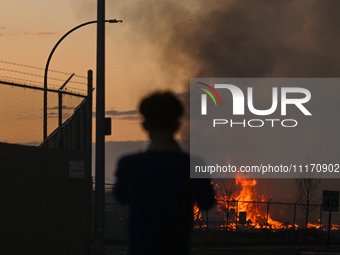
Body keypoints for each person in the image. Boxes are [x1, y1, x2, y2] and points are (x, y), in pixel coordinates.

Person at [113, 91, 215, 255]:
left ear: (145, 125)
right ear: (177, 125)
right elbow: (207, 202)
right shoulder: (193, 166)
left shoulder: (129, 165)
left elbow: (120, 196)